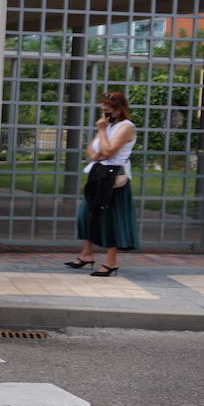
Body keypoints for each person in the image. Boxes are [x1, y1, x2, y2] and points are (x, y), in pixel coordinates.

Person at [69, 91, 138, 277]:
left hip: (114, 180)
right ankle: (86, 254)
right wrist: (101, 138)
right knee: (86, 214)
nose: (105, 113)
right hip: (97, 175)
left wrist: (101, 131)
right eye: (103, 109)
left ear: (119, 109)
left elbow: (108, 152)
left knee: (111, 219)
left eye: (109, 110)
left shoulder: (126, 127)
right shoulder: (107, 126)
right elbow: (91, 151)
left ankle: (111, 261)